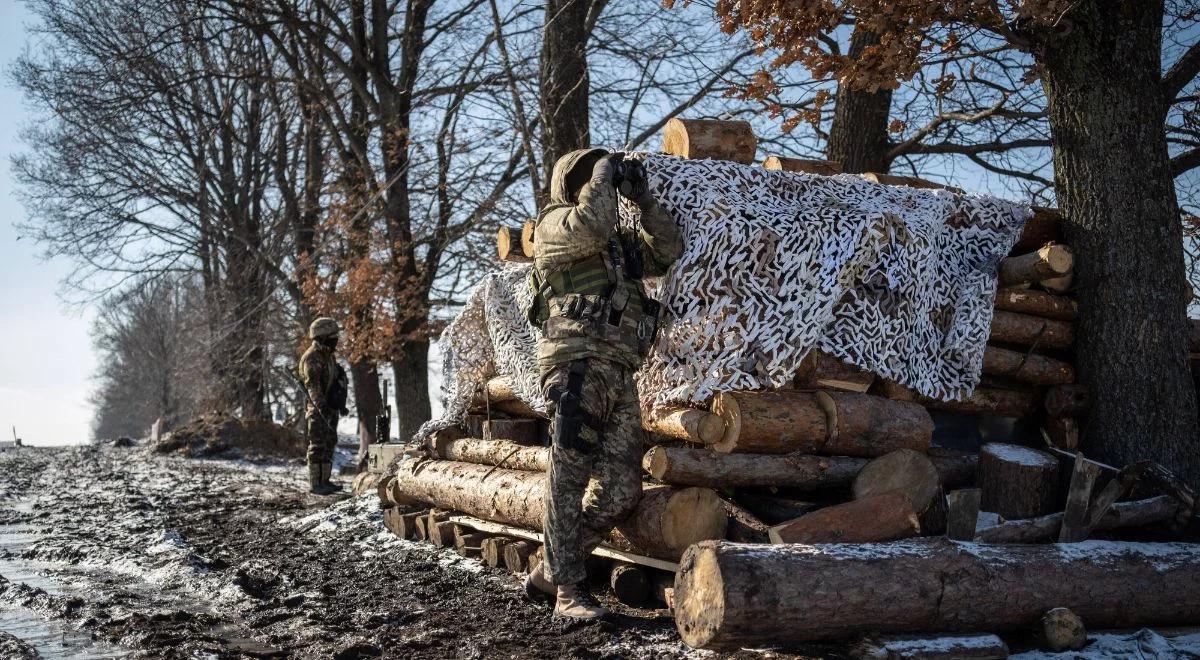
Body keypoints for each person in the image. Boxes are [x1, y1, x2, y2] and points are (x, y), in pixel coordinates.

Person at [523, 149, 684, 620]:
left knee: (621, 490)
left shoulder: (617, 245)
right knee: (568, 474)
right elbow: (591, 222)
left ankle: (550, 570)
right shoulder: (553, 227)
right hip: (576, 362)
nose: (604, 184)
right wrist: (602, 171)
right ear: (572, 184)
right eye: (593, 177)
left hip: (618, 368)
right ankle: (568, 592)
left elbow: (667, 250)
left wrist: (643, 198)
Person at [299, 317, 350, 495]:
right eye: (332, 336)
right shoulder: (312, 358)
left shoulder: (328, 356)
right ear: (322, 337)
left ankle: (325, 481)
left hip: (330, 408)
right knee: (317, 445)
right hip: (318, 410)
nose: (336, 340)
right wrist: (322, 408)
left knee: (329, 443)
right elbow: (313, 387)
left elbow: (334, 381)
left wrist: (339, 404)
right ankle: (316, 483)